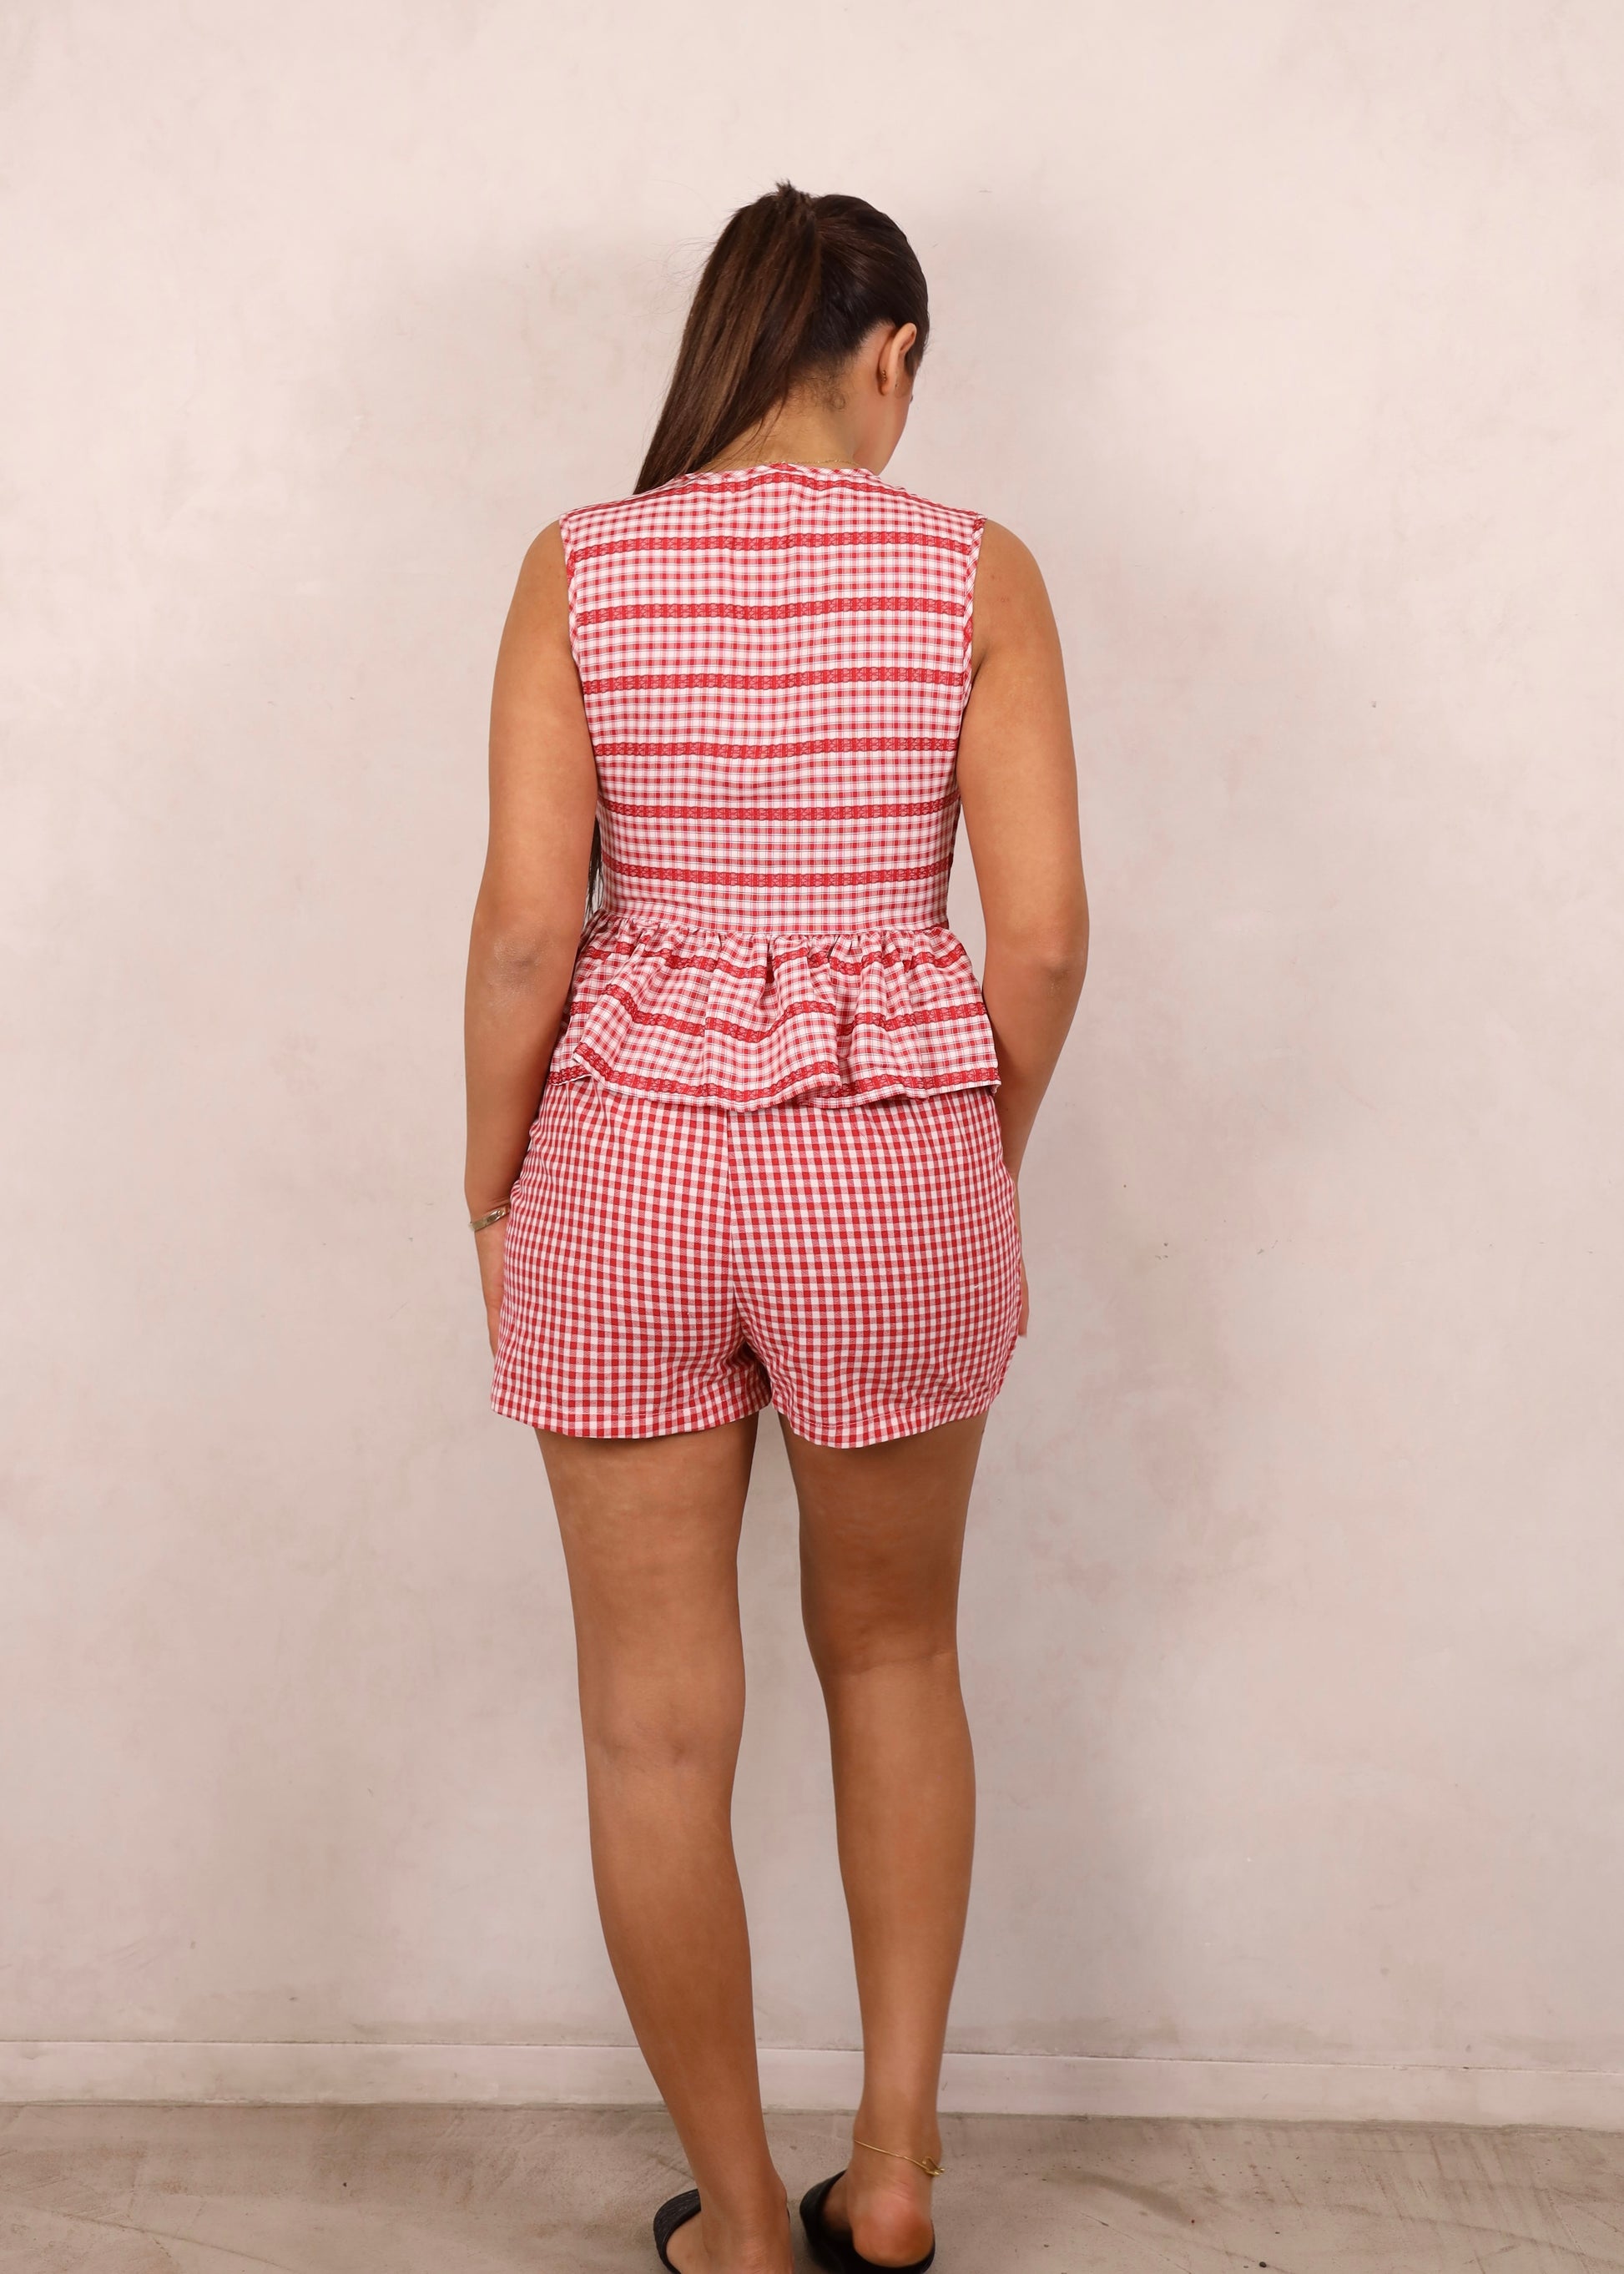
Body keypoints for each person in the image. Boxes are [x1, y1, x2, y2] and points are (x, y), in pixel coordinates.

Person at [462, 182, 1088, 2274]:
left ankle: (738, 2223)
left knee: (655, 1724)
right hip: (889, 1161)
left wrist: (490, 1180)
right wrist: (963, 1149)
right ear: (889, 355)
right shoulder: (975, 570)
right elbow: (1045, 939)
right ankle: (889, 2174)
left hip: (624, 1165)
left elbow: (528, 927)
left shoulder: (581, 565)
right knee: (895, 1650)